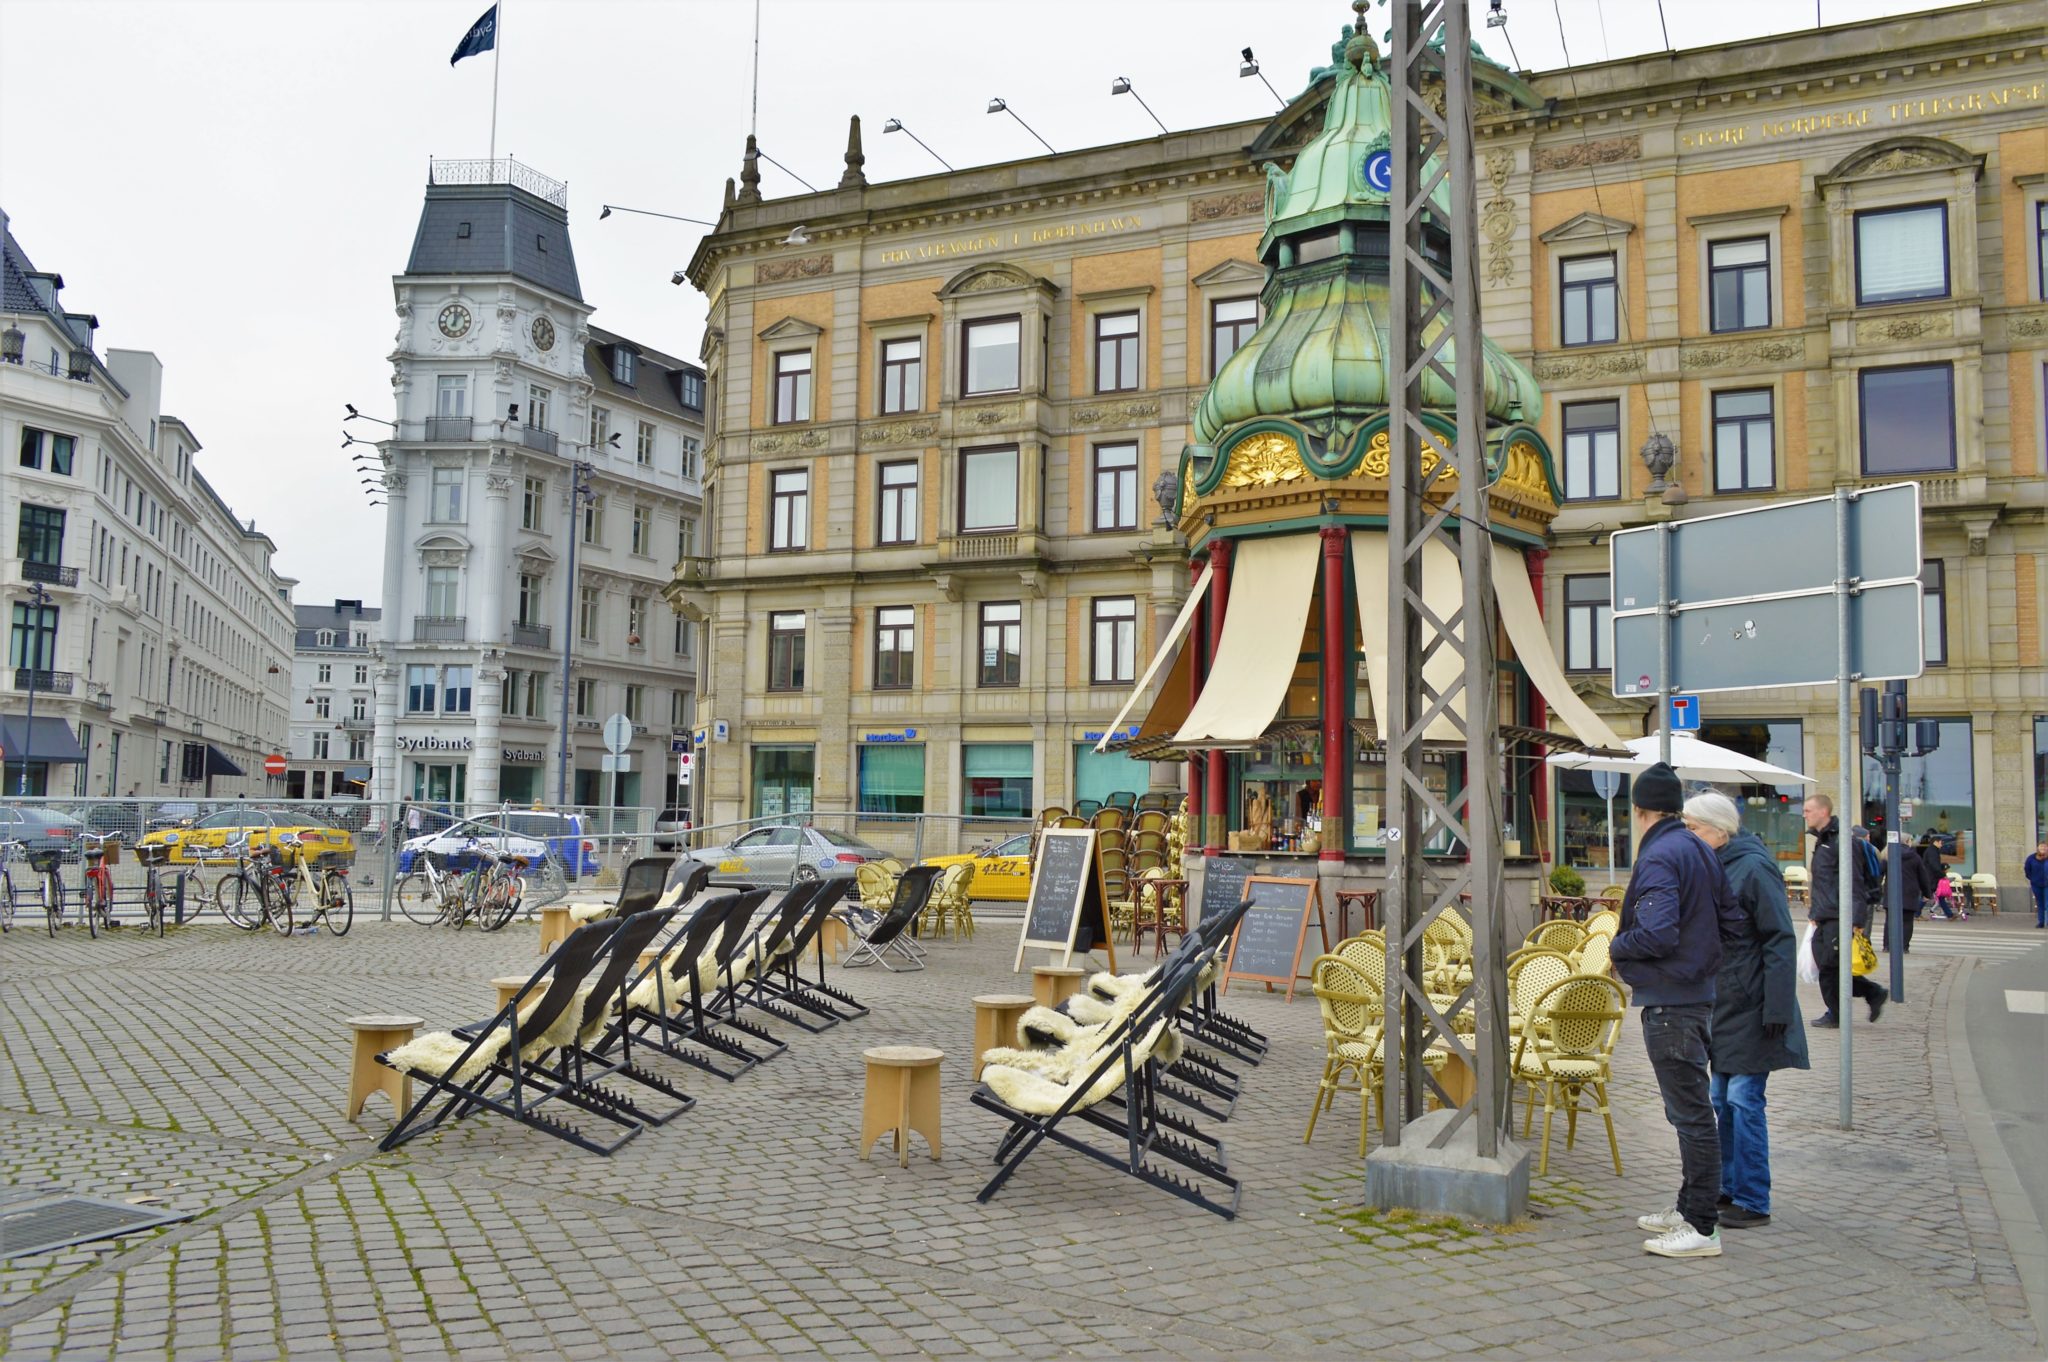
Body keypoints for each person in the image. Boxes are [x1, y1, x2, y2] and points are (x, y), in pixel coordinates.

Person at [1612, 761, 1743, 1260]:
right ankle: (1691, 1207)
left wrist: (1618, 946)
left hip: (1672, 1001)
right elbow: (1731, 921)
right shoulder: (1697, 847)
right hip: (1694, 993)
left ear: (1640, 811)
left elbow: (1658, 931)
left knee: (1690, 1115)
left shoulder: (1661, 855)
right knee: (1691, 1111)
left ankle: (1702, 1227)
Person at [1682, 791, 1808, 1230]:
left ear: (1720, 829)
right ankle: (1729, 1188)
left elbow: (1779, 938)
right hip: (1724, 1001)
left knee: (1743, 1099)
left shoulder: (1752, 867)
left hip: (1754, 1004)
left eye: (1694, 828)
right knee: (1720, 1098)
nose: (1689, 835)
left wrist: (1777, 1008)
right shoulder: (1713, 864)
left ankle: (1753, 1199)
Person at [1802, 794, 1887, 1028]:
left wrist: (1855, 919)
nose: (1804, 814)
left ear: (1823, 812)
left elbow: (1854, 882)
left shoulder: (1842, 841)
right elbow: (1825, 881)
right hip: (1825, 914)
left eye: (1808, 810)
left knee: (1830, 966)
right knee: (1827, 965)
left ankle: (1838, 1012)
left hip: (1840, 914)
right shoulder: (1824, 840)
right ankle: (1872, 993)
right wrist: (1814, 914)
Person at [2026, 842, 2048, 928]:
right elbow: (2027, 870)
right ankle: (2041, 922)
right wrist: (2033, 879)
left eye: (2045, 847)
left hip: (2047, 884)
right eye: (2041, 847)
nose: (2043, 849)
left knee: (2047, 904)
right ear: (2037, 848)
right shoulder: (2031, 858)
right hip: (2036, 884)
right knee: (2040, 903)